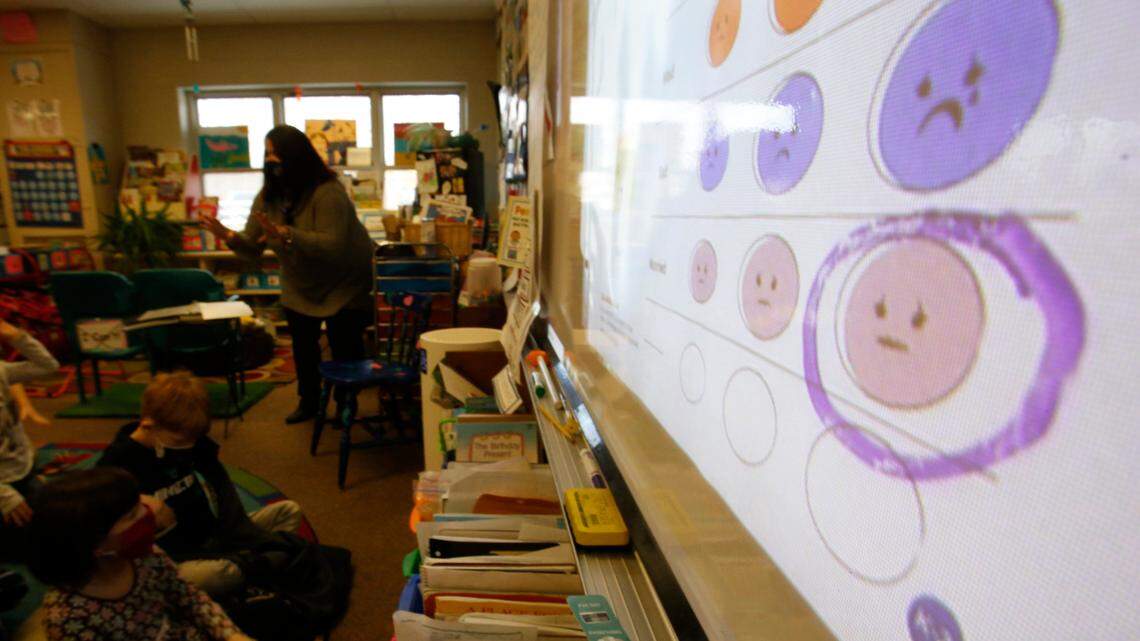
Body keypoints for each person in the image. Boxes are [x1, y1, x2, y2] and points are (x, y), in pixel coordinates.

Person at [200, 125, 374, 424]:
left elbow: (333, 245)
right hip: (300, 282)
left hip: (344, 281)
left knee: (344, 345)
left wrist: (287, 233)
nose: (271, 160)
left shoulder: (328, 192)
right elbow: (252, 248)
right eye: (267, 154)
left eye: (276, 153)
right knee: (303, 347)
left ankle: (347, 400)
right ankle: (308, 401)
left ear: (295, 156)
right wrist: (227, 235)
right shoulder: (269, 197)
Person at [97, 372, 303, 597]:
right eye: (180, 441)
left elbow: (227, 502)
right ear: (148, 424)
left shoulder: (187, 440)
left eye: (192, 439)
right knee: (214, 576)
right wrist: (140, 502)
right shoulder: (117, 463)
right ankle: (251, 569)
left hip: (214, 537)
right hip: (174, 561)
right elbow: (93, 519)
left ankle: (248, 568)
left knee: (289, 511)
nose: (189, 447)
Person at [27, 467, 253, 641]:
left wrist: (229, 634)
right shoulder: (69, 617)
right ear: (97, 545)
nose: (148, 512)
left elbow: (188, 596)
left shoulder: (146, 556)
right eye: (132, 514)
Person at [0, 318, 59, 533]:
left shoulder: (2, 371)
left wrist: (18, 337)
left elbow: (48, 366)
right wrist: (4, 495)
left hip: (21, 468)